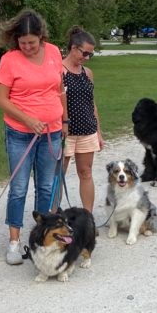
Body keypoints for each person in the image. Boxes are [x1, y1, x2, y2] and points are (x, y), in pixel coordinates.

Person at [0, 9, 68, 265]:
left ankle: (42, 239)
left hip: (52, 131)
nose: (26, 47)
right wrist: (27, 119)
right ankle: (14, 242)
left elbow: (59, 90)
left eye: (32, 43)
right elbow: (0, 99)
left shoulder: (55, 53)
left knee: (47, 186)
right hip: (20, 133)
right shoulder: (9, 59)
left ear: (41, 37)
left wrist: (63, 119)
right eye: (22, 43)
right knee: (19, 188)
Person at [61, 25, 103, 213]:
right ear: (73, 48)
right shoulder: (59, 71)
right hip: (65, 132)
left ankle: (88, 217)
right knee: (57, 176)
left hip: (87, 130)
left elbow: (92, 103)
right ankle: (52, 219)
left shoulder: (87, 73)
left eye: (90, 55)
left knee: (86, 173)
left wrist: (99, 132)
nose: (86, 58)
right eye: (85, 53)